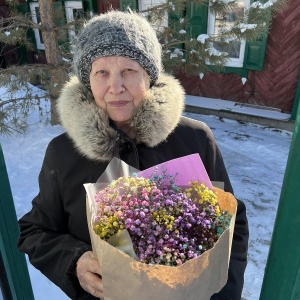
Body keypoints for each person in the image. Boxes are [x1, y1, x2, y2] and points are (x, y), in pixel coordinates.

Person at [17, 10, 249, 300]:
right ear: (88, 81)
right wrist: (74, 261)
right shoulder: (62, 153)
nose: (116, 87)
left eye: (129, 70)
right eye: (102, 72)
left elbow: (232, 223)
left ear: (149, 76)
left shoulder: (194, 139)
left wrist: (222, 293)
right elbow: (35, 231)